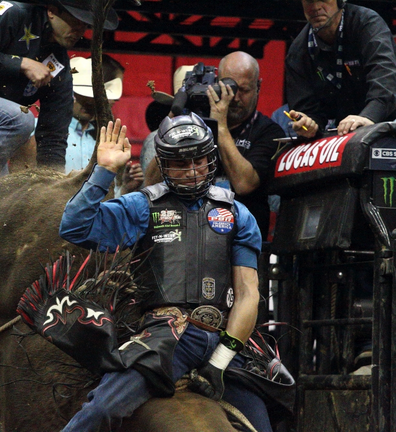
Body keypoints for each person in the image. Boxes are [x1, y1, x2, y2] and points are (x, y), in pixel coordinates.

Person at [58, 114, 274, 432]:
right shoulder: (142, 206)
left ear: (211, 158)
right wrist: (104, 171)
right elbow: (75, 226)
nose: (192, 171)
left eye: (200, 160)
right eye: (180, 164)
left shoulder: (237, 214)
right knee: (101, 410)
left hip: (224, 344)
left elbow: (247, 296)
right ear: (164, 164)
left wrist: (219, 364)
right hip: (165, 338)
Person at [0, 0, 119, 208]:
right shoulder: (14, 12)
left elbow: (53, 135)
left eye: (86, 26)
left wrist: (52, 190)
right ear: (52, 11)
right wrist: (21, 63)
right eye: (77, 22)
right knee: (21, 118)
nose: (80, 31)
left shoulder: (60, 66)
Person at [284, 0, 396, 138]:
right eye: (309, 1)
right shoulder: (297, 52)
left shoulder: (367, 23)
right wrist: (309, 126)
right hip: (351, 130)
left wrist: (368, 116)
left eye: (323, 0)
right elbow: (310, 114)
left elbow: (384, 81)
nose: (316, 7)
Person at [205, 51, 286, 238]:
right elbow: (151, 182)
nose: (235, 97)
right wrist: (176, 116)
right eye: (230, 87)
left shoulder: (270, 132)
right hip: (198, 234)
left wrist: (220, 126)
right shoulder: (200, 123)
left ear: (258, 87)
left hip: (243, 238)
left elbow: (244, 183)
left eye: (244, 90)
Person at [64, 56, 123, 174]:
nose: (89, 102)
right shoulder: (38, 130)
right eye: (83, 98)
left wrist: (125, 187)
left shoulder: (101, 141)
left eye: (93, 98)